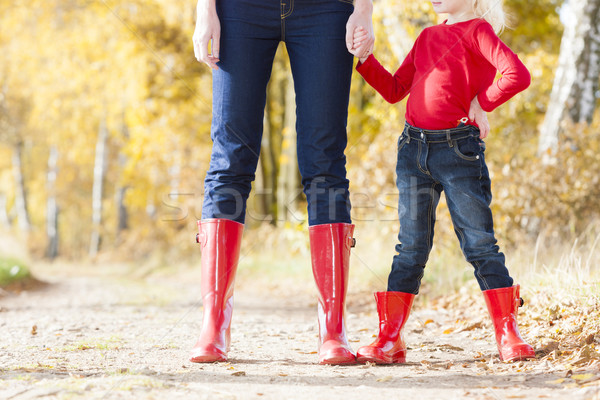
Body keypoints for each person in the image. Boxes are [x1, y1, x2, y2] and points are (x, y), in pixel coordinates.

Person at [189, 0, 374, 365]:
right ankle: (214, 324)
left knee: (325, 160)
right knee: (230, 158)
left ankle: (333, 327)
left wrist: (364, 8)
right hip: (240, 9)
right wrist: (204, 9)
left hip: (326, 9)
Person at [351, 0, 536, 364]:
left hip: (459, 151)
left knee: (480, 244)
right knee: (410, 247)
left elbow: (517, 74)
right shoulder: (426, 36)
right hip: (412, 151)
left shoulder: (478, 31)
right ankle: (390, 338)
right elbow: (394, 89)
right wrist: (363, 60)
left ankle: (508, 334)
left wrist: (483, 103)